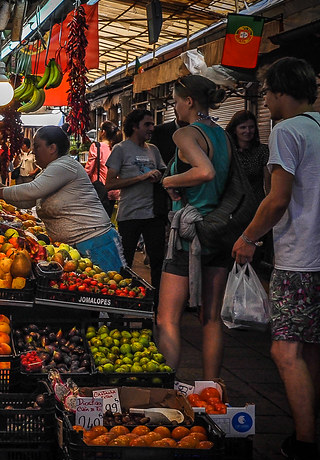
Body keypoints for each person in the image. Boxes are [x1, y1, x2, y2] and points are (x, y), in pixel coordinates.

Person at [232, 57, 320, 460]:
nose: (266, 103)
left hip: (301, 258)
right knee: (310, 350)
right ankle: (304, 438)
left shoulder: (287, 130)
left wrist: (249, 238)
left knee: (285, 353)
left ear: (279, 92)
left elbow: (277, 199)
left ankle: (309, 456)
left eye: (267, 95)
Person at [156, 74, 232, 380]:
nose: (174, 107)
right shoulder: (223, 135)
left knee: (167, 319)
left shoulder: (186, 134)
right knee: (211, 319)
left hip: (189, 236)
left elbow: (205, 171)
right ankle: (211, 390)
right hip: (219, 232)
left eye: (175, 101)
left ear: (189, 101)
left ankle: (165, 388)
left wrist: (169, 180)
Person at [0, 126, 125, 271]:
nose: (34, 151)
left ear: (52, 148)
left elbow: (32, 190)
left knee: (110, 287)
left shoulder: (64, 165)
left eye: (37, 146)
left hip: (96, 242)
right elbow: (28, 201)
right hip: (75, 247)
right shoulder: (49, 170)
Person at [105, 108, 167, 295]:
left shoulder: (154, 150)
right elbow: (109, 184)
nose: (152, 128)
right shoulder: (120, 149)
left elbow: (164, 174)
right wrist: (141, 177)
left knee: (157, 262)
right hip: (129, 215)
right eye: (147, 124)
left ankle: (156, 307)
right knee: (126, 263)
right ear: (134, 126)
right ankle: (123, 303)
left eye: (152, 124)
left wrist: (160, 178)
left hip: (153, 215)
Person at [226, 110, 269, 200]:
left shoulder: (262, 150)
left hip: (256, 203)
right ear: (234, 130)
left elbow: (269, 183)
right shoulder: (227, 150)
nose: (248, 131)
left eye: (251, 127)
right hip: (232, 204)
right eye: (243, 127)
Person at [85, 122, 120, 215]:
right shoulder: (117, 148)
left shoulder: (96, 146)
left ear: (103, 132)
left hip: (100, 189)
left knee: (97, 220)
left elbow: (89, 169)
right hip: (114, 190)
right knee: (108, 219)